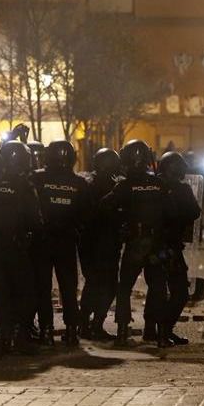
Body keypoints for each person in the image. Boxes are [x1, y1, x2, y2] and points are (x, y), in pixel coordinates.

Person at [106, 140, 174, 348]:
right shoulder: (160, 185)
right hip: (156, 242)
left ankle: (121, 332)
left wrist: (122, 223)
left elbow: (105, 207)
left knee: (125, 287)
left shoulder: (124, 186)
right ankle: (160, 334)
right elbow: (172, 214)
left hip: (135, 241)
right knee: (158, 287)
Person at [30, 140, 90, 346]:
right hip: (66, 241)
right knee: (68, 288)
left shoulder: (37, 178)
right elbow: (85, 216)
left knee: (42, 287)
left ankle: (46, 330)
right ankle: (72, 330)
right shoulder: (80, 184)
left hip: (42, 241)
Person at [0, 141, 42, 355]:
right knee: (24, 294)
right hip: (18, 248)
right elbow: (34, 219)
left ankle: (2, 339)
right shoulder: (25, 186)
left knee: (1, 295)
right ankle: (19, 338)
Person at [78, 148, 123, 341]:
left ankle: (88, 324)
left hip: (95, 241)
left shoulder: (89, 184)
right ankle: (91, 324)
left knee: (96, 283)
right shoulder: (110, 186)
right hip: (101, 241)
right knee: (106, 284)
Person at [157, 152, 201, 346]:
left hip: (149, 245)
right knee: (179, 291)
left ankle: (157, 331)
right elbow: (194, 212)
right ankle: (163, 332)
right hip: (169, 247)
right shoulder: (181, 189)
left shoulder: (152, 186)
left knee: (156, 291)